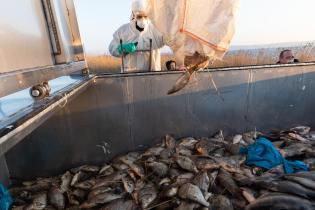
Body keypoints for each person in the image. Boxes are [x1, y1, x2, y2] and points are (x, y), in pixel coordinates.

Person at [109, 0, 165, 72]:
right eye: (139, 16)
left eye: (145, 16)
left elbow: (171, 40)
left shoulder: (156, 30)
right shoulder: (123, 31)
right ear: (133, 15)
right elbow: (112, 48)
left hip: (152, 77)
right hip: (130, 77)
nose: (143, 20)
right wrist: (121, 48)